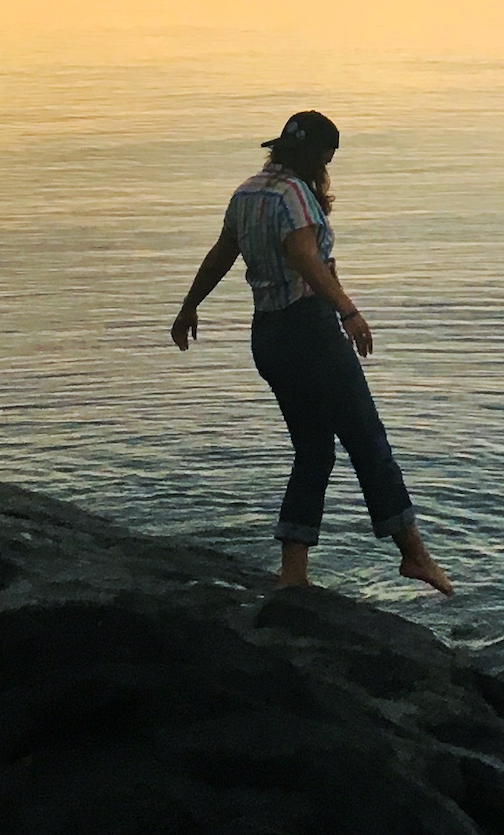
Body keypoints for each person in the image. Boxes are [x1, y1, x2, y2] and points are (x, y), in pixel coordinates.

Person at [170, 108, 453, 595]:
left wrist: (188, 307)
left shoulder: (247, 192)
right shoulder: (297, 196)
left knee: (313, 452)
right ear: (318, 156)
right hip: (309, 333)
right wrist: (348, 311)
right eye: (327, 157)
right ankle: (415, 556)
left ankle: (294, 572)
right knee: (368, 443)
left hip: (269, 337)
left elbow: (222, 252)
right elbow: (303, 255)